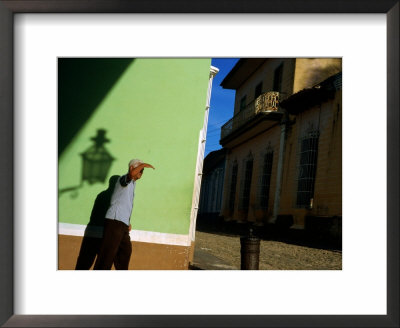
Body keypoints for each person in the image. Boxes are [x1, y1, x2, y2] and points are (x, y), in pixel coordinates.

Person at [93, 159, 155, 270]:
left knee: (125, 252)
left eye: (143, 170)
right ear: (132, 168)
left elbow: (124, 203)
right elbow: (130, 175)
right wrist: (144, 164)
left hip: (122, 224)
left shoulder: (132, 184)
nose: (142, 172)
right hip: (114, 222)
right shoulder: (123, 179)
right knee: (107, 255)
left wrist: (128, 222)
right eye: (140, 169)